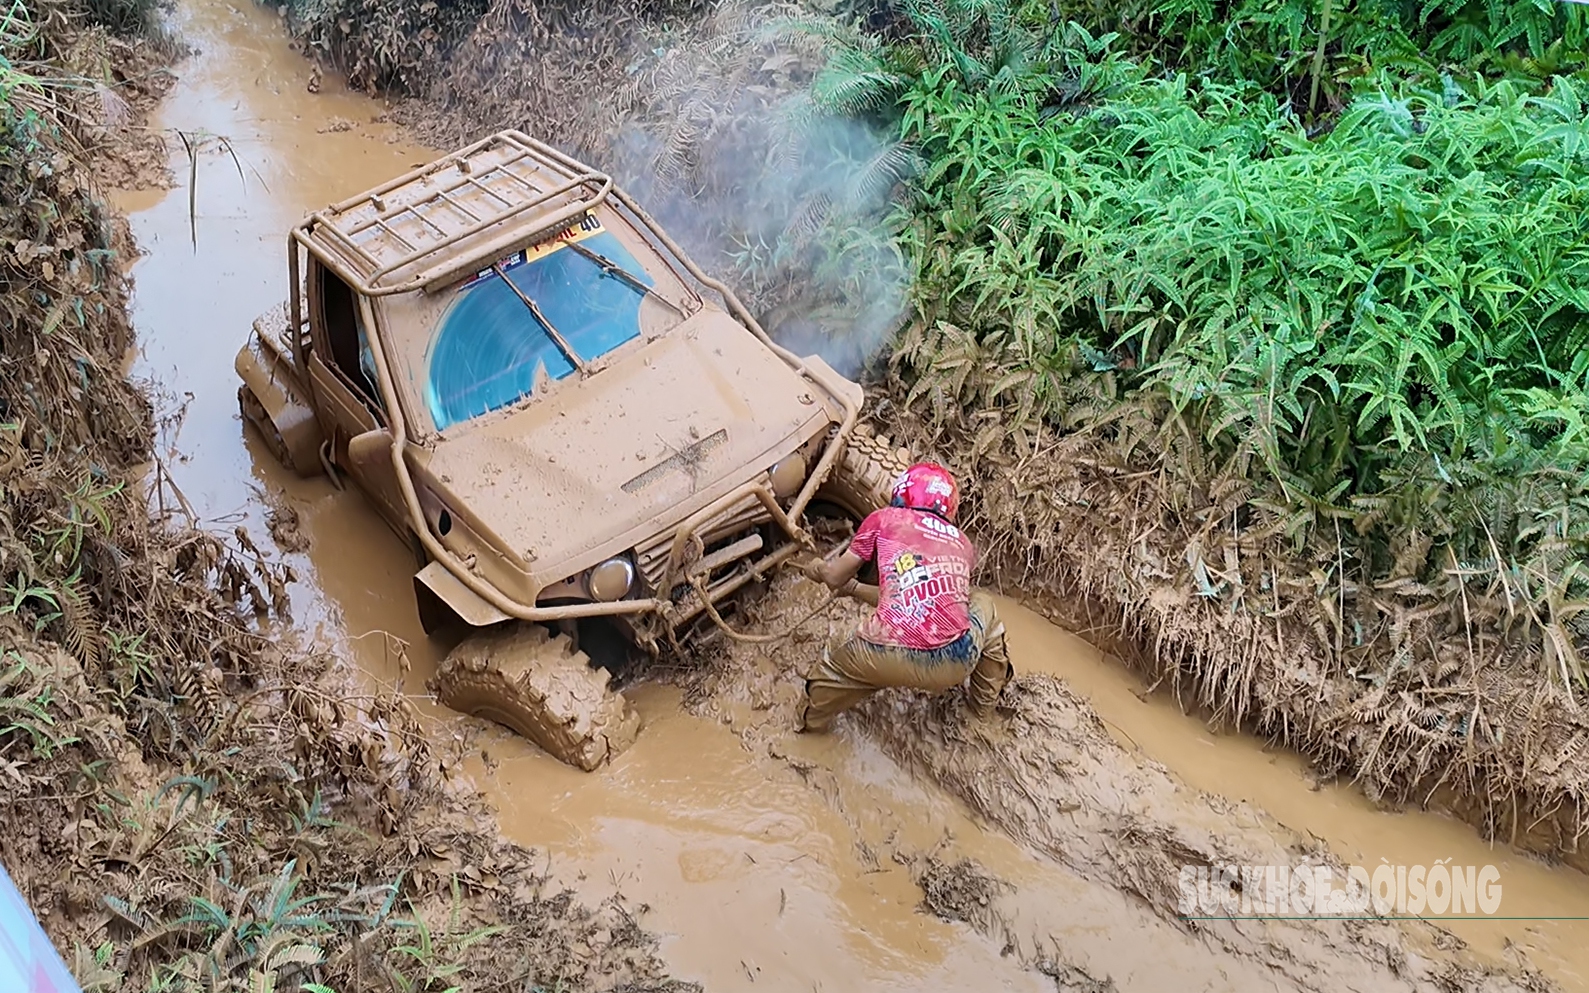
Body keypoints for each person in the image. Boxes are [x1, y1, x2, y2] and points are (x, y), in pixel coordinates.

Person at [797, 462, 1012, 731]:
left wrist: (817, 567)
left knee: (831, 667)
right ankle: (981, 715)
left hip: (884, 654)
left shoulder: (884, 518)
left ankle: (808, 729)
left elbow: (833, 577)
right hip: (958, 659)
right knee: (984, 604)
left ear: (903, 492)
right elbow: (915, 598)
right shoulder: (963, 543)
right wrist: (852, 589)